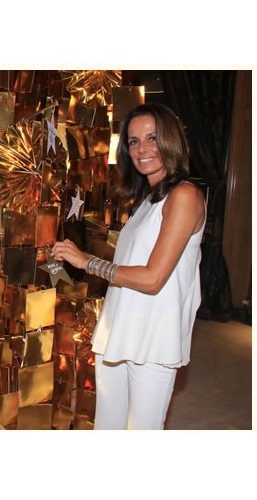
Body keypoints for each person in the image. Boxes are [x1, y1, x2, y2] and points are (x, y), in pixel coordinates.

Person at [52, 103, 206, 430]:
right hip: (120, 329)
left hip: (154, 338)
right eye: (133, 141)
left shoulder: (185, 195)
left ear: (171, 140)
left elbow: (152, 278)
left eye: (152, 138)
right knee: (107, 427)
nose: (142, 149)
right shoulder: (148, 200)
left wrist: (87, 261)